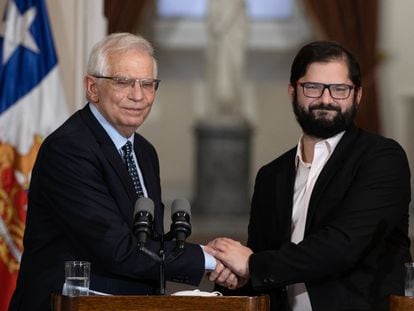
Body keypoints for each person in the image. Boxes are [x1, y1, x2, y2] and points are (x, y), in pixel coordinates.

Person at [9, 32, 221, 311]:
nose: (138, 95)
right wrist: (210, 259)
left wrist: (197, 250)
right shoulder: (69, 149)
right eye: (123, 82)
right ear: (92, 88)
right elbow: (118, 249)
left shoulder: (144, 152)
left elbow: (144, 243)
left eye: (147, 84)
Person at [206, 41, 412, 311]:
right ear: (293, 92)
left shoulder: (382, 159)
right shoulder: (272, 175)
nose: (326, 100)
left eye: (340, 89)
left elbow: (343, 246)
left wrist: (251, 265)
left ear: (358, 95)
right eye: (313, 88)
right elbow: (266, 266)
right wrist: (236, 275)